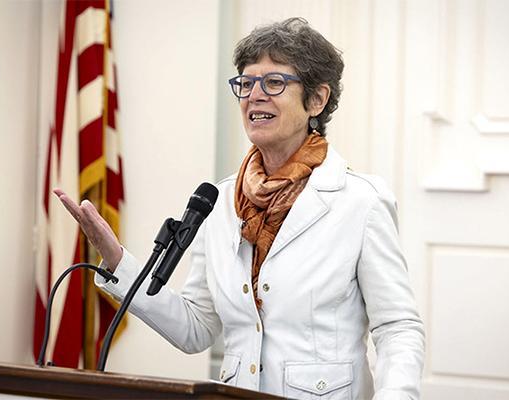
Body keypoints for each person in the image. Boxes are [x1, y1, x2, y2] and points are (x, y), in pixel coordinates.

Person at [55, 18, 424, 400]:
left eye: (275, 83)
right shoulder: (218, 202)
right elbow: (196, 328)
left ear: (317, 99)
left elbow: (398, 327)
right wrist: (117, 260)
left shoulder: (360, 201)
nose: (255, 96)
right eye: (246, 84)